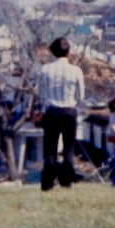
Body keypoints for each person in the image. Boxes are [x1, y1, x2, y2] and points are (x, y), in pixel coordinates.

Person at [34, 37, 86, 191]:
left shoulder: (45, 69)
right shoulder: (76, 70)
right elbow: (81, 95)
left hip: (51, 111)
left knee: (50, 149)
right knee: (69, 148)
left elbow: (40, 92)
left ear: (53, 53)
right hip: (69, 111)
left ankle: (48, 183)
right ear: (68, 52)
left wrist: (45, 105)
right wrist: (75, 105)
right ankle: (66, 181)